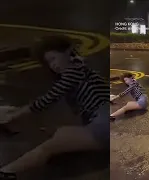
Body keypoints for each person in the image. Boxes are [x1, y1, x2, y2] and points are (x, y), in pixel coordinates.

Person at [0, 35, 109, 180]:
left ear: (68, 52)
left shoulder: (74, 71)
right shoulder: (81, 69)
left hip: (106, 123)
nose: (53, 65)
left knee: (49, 146)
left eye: (53, 58)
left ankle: (7, 172)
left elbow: (49, 99)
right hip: (106, 122)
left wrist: (15, 115)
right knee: (57, 133)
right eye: (49, 63)